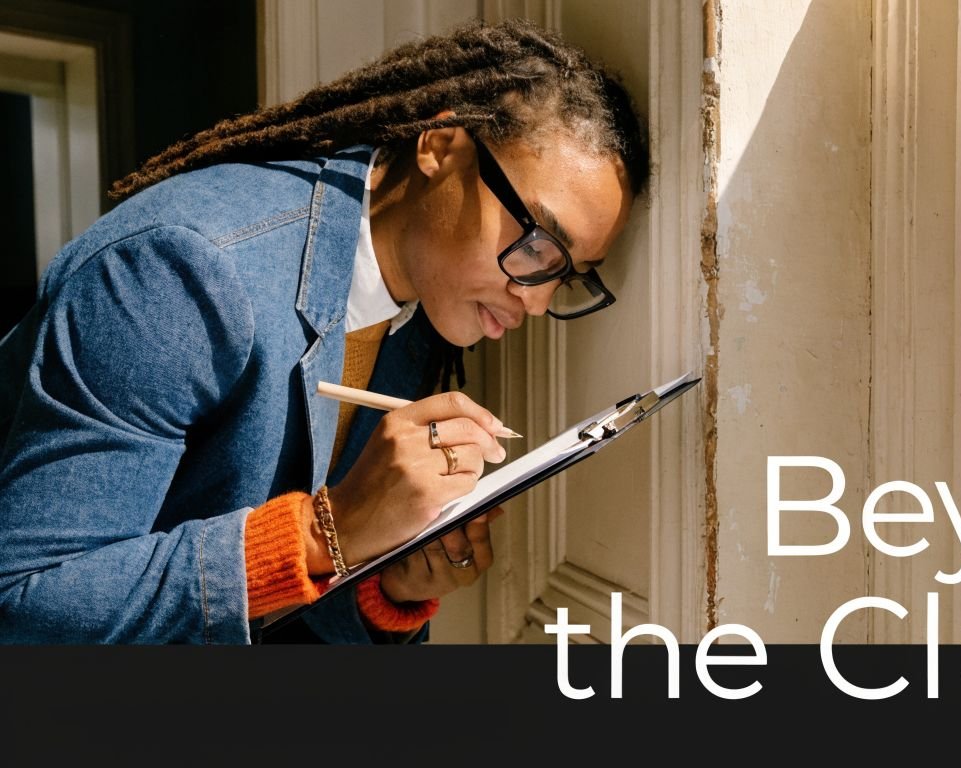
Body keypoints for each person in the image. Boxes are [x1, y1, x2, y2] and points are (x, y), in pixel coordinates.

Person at [0, 18, 648, 644]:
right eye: (536, 242)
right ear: (440, 146)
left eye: (564, 275)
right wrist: (322, 531)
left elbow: (289, 604)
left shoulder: (425, 308)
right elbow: (27, 603)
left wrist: (385, 587)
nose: (532, 300)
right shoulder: (187, 269)